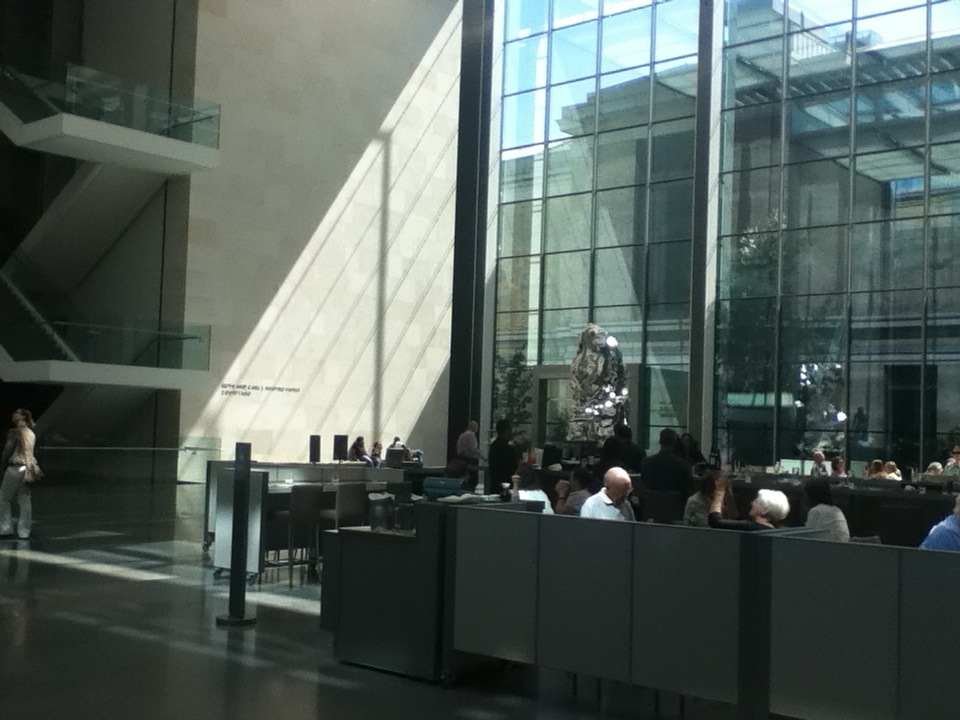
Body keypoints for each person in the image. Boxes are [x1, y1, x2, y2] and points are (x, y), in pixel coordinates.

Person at [0, 408, 38, 540]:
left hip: (15, 468)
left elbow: (8, 450)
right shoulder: (31, 433)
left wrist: (2, 465)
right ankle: (24, 532)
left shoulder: (14, 432)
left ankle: (5, 528)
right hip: (28, 469)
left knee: (4, 498)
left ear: (22, 416)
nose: (13, 414)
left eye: (16, 413)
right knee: (25, 499)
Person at [708, 478, 789, 530]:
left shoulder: (751, 527)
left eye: (756, 502)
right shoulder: (771, 530)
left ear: (764, 510)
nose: (752, 503)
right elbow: (735, 519)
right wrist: (728, 494)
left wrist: (719, 492)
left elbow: (715, 522)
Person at [639, 428, 694, 497]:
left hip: (652, 501)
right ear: (675, 443)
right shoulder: (682, 464)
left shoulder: (647, 462)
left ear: (660, 441)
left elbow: (643, 484)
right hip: (675, 502)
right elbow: (689, 486)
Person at [487, 419, 519, 495]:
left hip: (495, 485)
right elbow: (514, 467)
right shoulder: (509, 449)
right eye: (511, 430)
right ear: (506, 431)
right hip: (507, 486)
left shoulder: (493, 446)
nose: (512, 432)